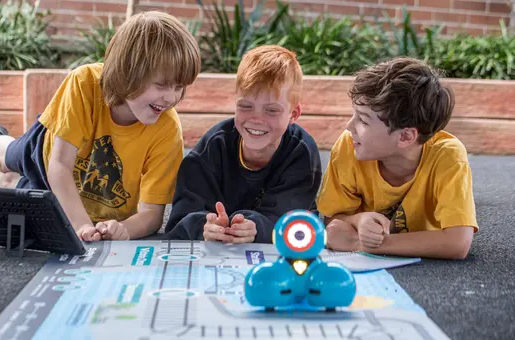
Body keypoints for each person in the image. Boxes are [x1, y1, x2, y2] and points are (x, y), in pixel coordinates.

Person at [0, 11, 201, 242]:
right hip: (46, 156)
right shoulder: (83, 82)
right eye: (162, 84)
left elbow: (151, 215)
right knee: (8, 158)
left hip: (84, 193)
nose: (172, 97)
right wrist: (80, 227)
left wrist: (125, 229)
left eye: (179, 87)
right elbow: (60, 166)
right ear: (128, 73)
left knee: (9, 185)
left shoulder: (167, 130)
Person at [318, 57, 477, 260]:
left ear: (405, 136)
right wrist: (358, 220)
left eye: (363, 120)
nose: (349, 127)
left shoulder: (449, 157)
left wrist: (362, 244)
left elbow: (457, 243)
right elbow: (333, 223)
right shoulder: (349, 146)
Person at [163, 45, 322, 244]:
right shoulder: (212, 148)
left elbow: (293, 223)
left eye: (271, 110)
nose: (256, 119)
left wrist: (256, 229)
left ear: (294, 114)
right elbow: (179, 219)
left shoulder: (301, 153)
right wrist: (205, 226)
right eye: (246, 106)